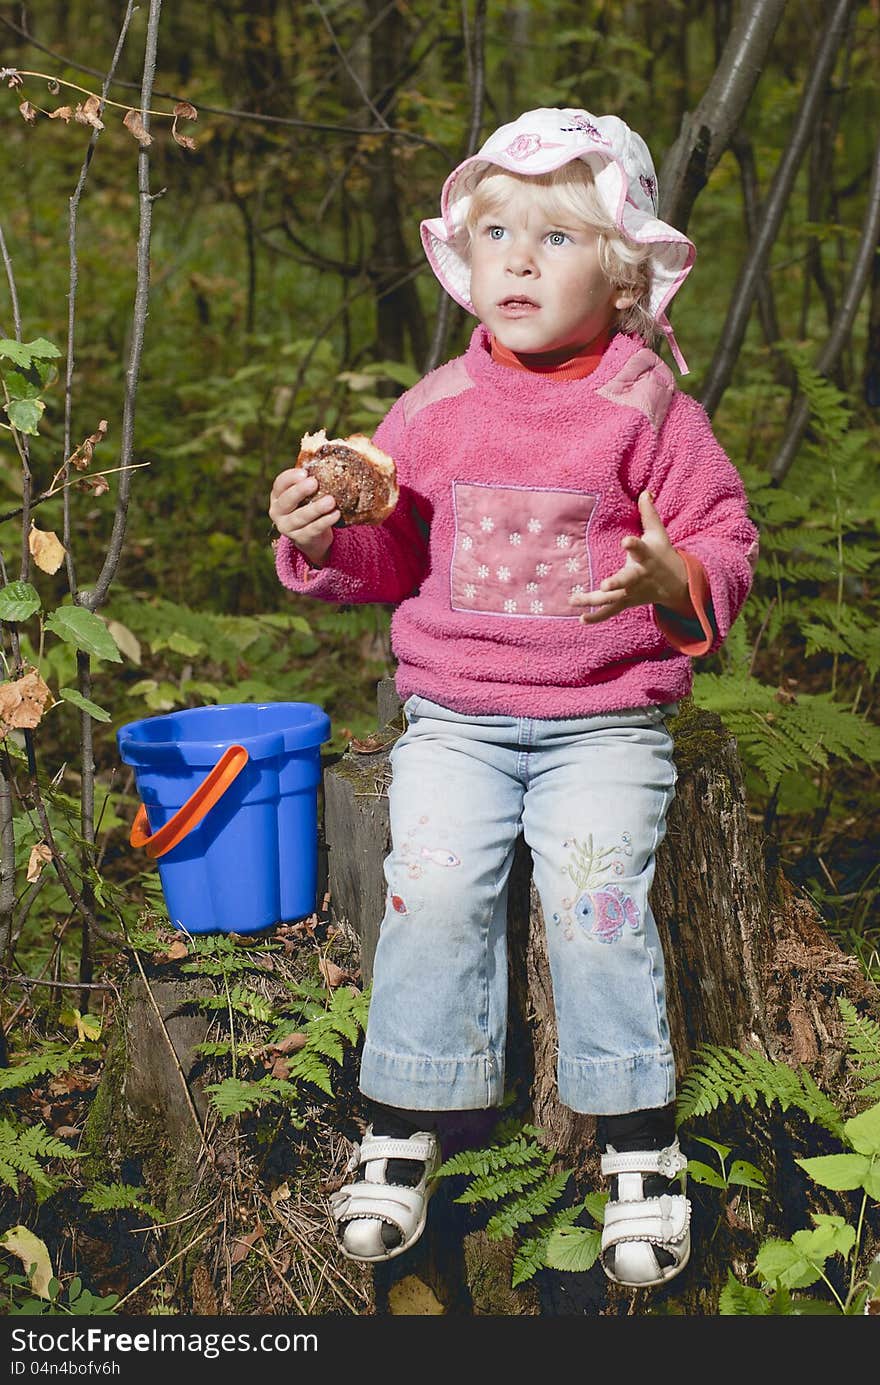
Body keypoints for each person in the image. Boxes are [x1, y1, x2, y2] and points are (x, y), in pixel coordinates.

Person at [268, 107, 759, 1289]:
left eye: (555, 236)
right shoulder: (431, 410)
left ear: (626, 272)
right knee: (431, 884)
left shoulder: (648, 407)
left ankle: (637, 1143)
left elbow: (723, 537)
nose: (520, 259)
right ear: (464, 259)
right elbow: (397, 557)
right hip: (458, 713)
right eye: (495, 232)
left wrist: (671, 572)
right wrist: (331, 529)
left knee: (597, 894)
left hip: (604, 713)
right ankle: (404, 1117)